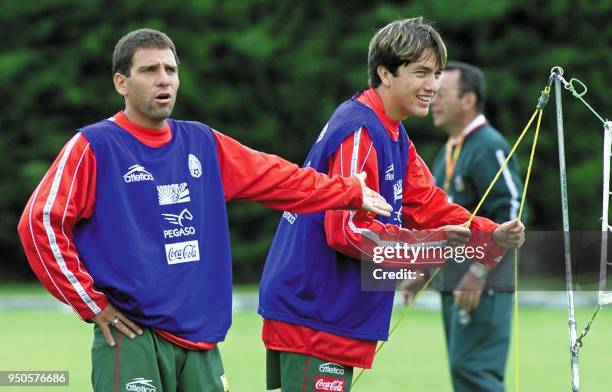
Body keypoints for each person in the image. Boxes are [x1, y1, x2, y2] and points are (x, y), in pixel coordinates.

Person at [16, 28, 394, 392]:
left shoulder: (201, 142)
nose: (163, 80)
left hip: (201, 340)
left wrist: (346, 192)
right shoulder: (94, 145)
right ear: (121, 83)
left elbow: (278, 179)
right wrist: (91, 303)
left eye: (171, 70)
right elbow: (40, 222)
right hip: (132, 336)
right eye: (149, 70)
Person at [258, 18, 525, 391]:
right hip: (313, 313)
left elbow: (427, 203)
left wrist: (488, 234)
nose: (432, 86)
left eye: (436, 74)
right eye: (421, 73)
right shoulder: (360, 130)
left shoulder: (393, 132)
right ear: (385, 73)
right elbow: (346, 231)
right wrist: (427, 248)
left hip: (328, 312)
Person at [402, 61, 522, 391]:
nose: (432, 99)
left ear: (468, 100)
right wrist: (424, 271)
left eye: (442, 93)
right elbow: (440, 219)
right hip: (454, 281)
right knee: (462, 371)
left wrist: (481, 271)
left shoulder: (488, 146)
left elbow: (510, 213)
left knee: (476, 372)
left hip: (483, 283)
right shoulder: (449, 150)